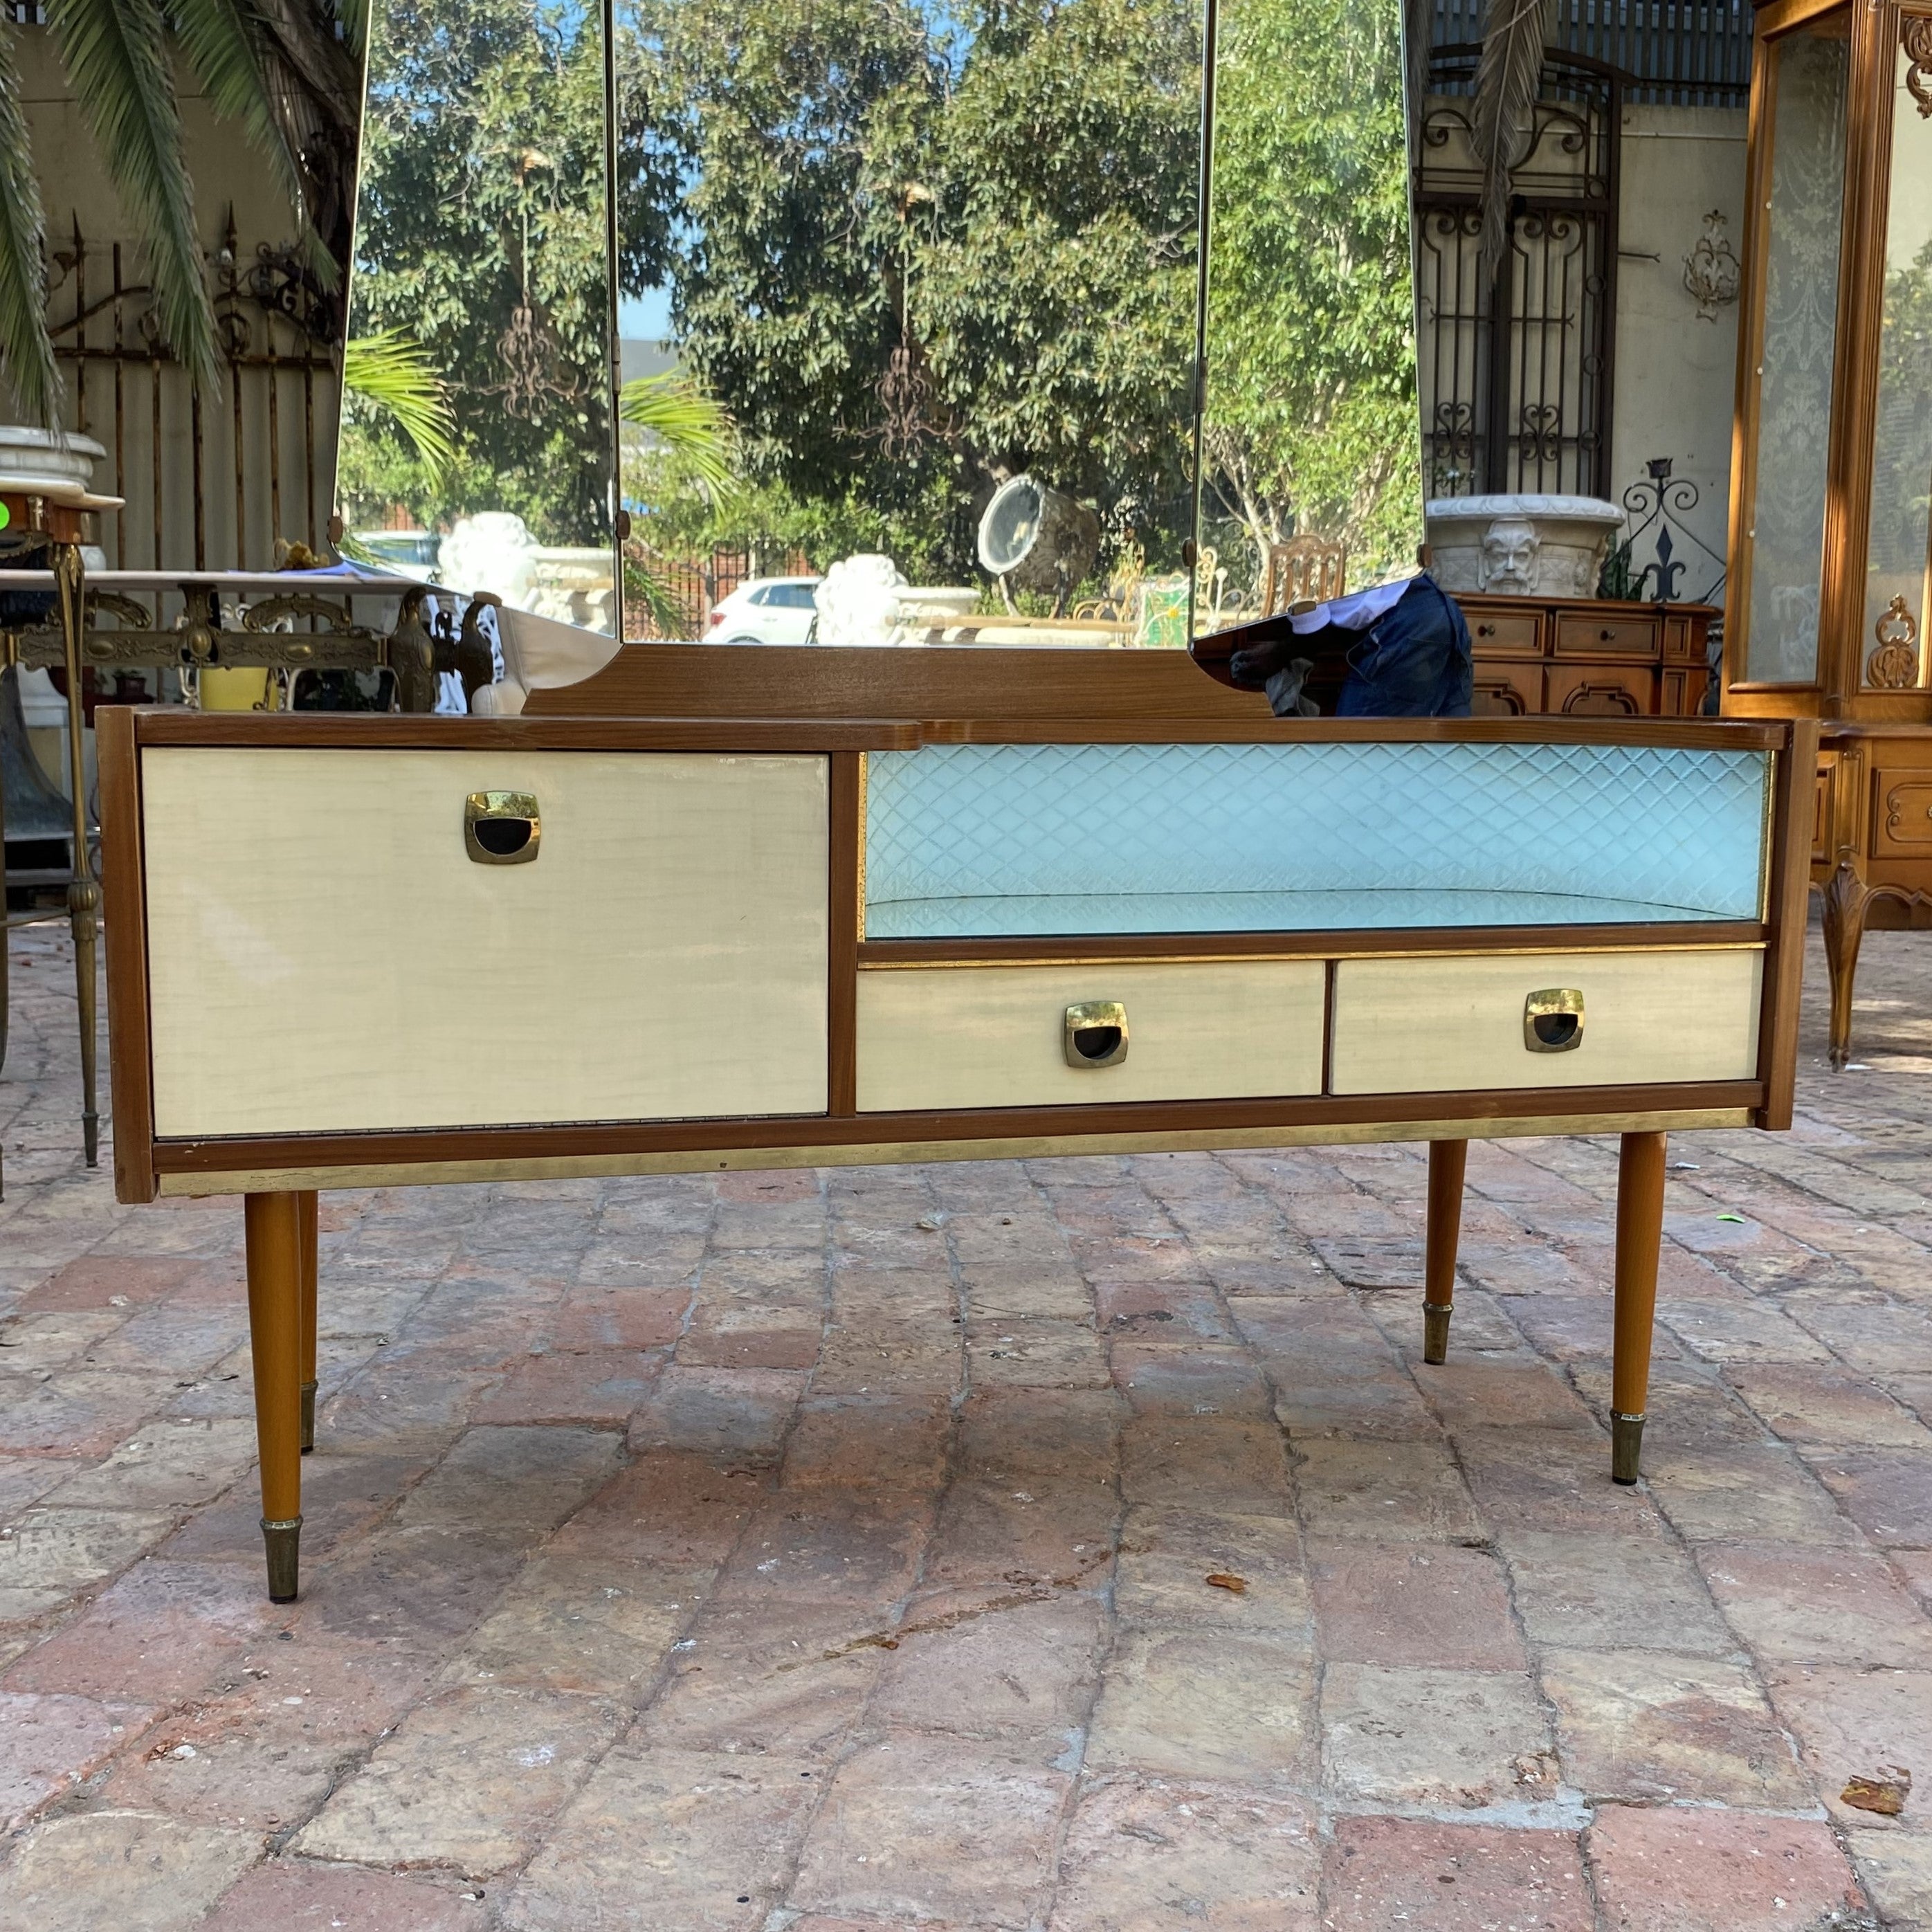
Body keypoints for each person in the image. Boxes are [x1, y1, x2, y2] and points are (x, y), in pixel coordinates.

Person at [1226, 571, 1473, 718]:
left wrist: (1278, 654)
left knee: (1354, 753)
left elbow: (1313, 634)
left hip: (1404, 629)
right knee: (1448, 755)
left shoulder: (1294, 552)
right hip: (1443, 611)